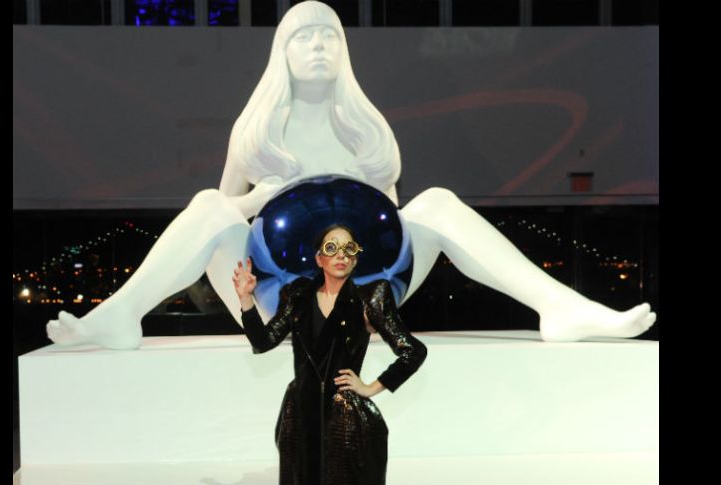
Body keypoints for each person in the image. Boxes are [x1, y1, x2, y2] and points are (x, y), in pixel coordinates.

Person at [46, 0, 655, 350]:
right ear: (283, 52)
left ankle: (561, 307)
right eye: (304, 37)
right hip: (275, 295)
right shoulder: (256, 132)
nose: (318, 46)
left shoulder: (367, 130)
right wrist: (260, 199)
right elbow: (217, 225)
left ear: (343, 50)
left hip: (364, 295)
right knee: (208, 203)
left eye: (329, 36)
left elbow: (388, 228)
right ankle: (121, 313)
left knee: (437, 203)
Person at [233, 224, 427, 485]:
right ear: (319, 258)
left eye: (349, 249)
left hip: (343, 418)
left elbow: (413, 351)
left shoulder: (369, 298)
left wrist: (371, 387)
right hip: (300, 413)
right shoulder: (298, 296)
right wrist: (246, 299)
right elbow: (263, 341)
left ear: (355, 259)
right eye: (331, 248)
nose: (341, 255)